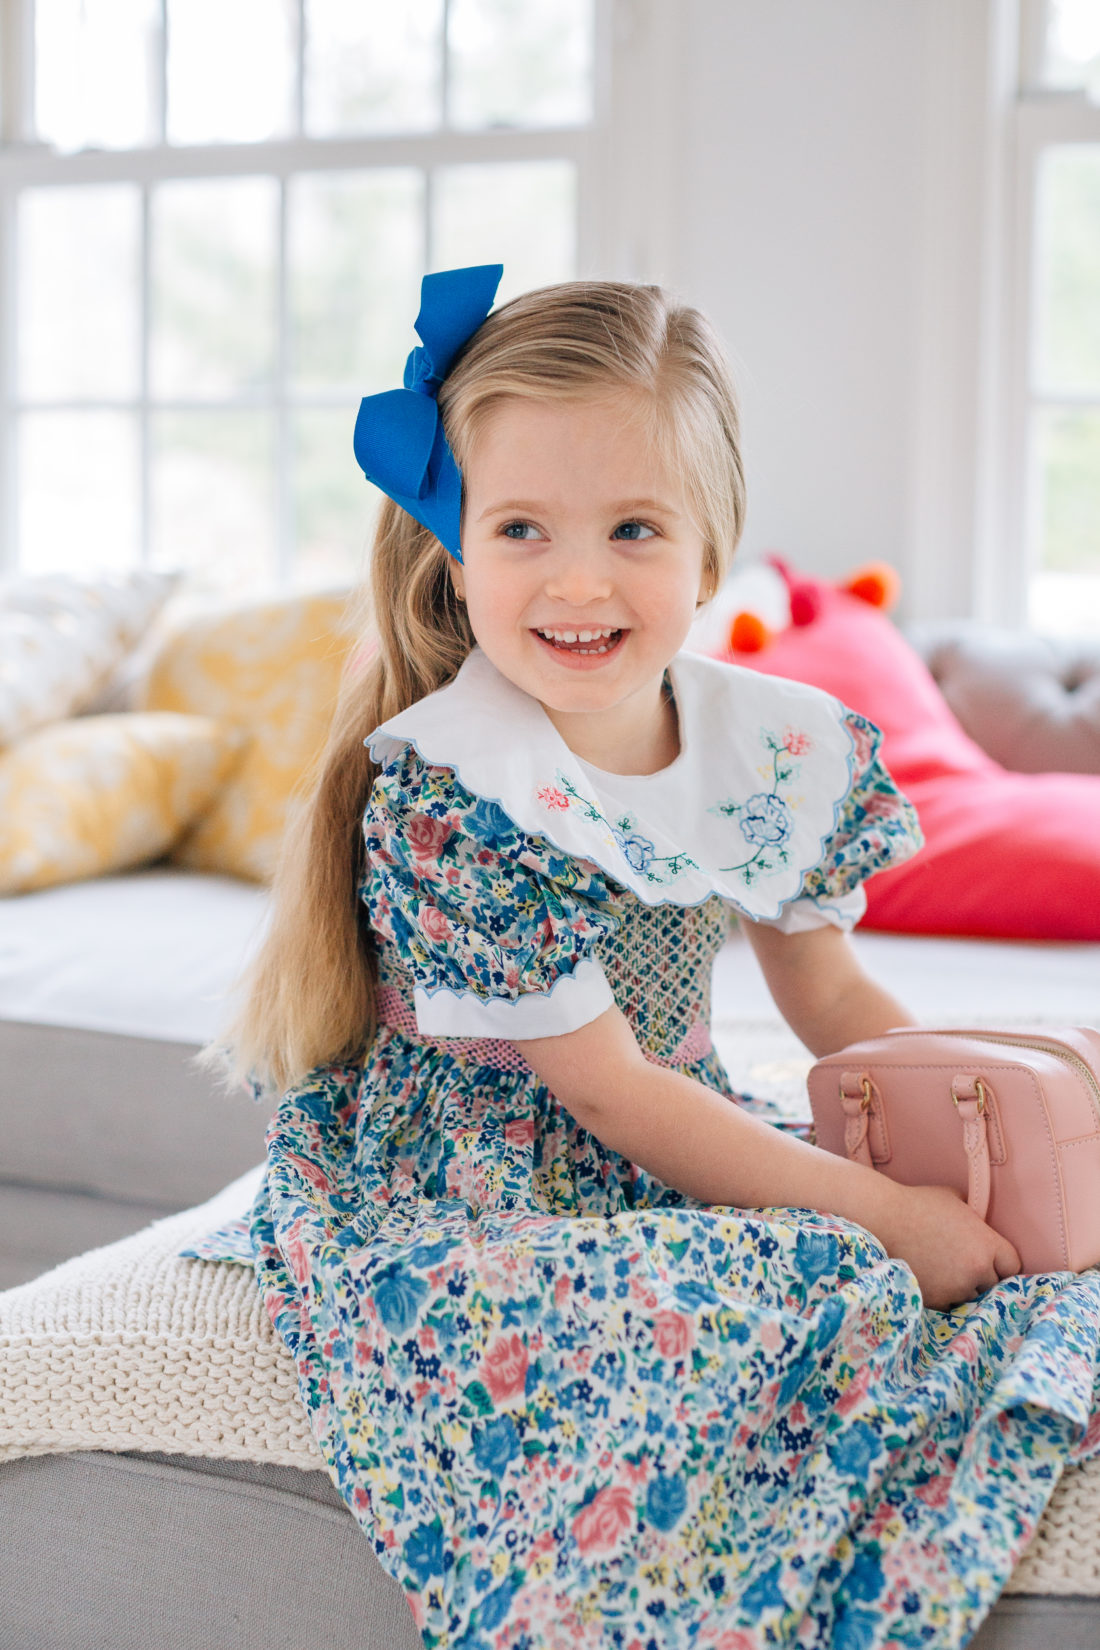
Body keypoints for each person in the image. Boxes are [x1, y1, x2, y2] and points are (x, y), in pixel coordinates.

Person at [183, 265, 1100, 1650]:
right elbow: (608, 1093)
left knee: (975, 1277)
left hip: (672, 1123)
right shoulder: (460, 791)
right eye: (522, 528)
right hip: (482, 1177)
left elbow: (831, 990)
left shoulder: (765, 744)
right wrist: (887, 1215)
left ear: (711, 538)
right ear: (456, 544)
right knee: (815, 1281)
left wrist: (971, 1120)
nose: (577, 578)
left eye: (631, 526)